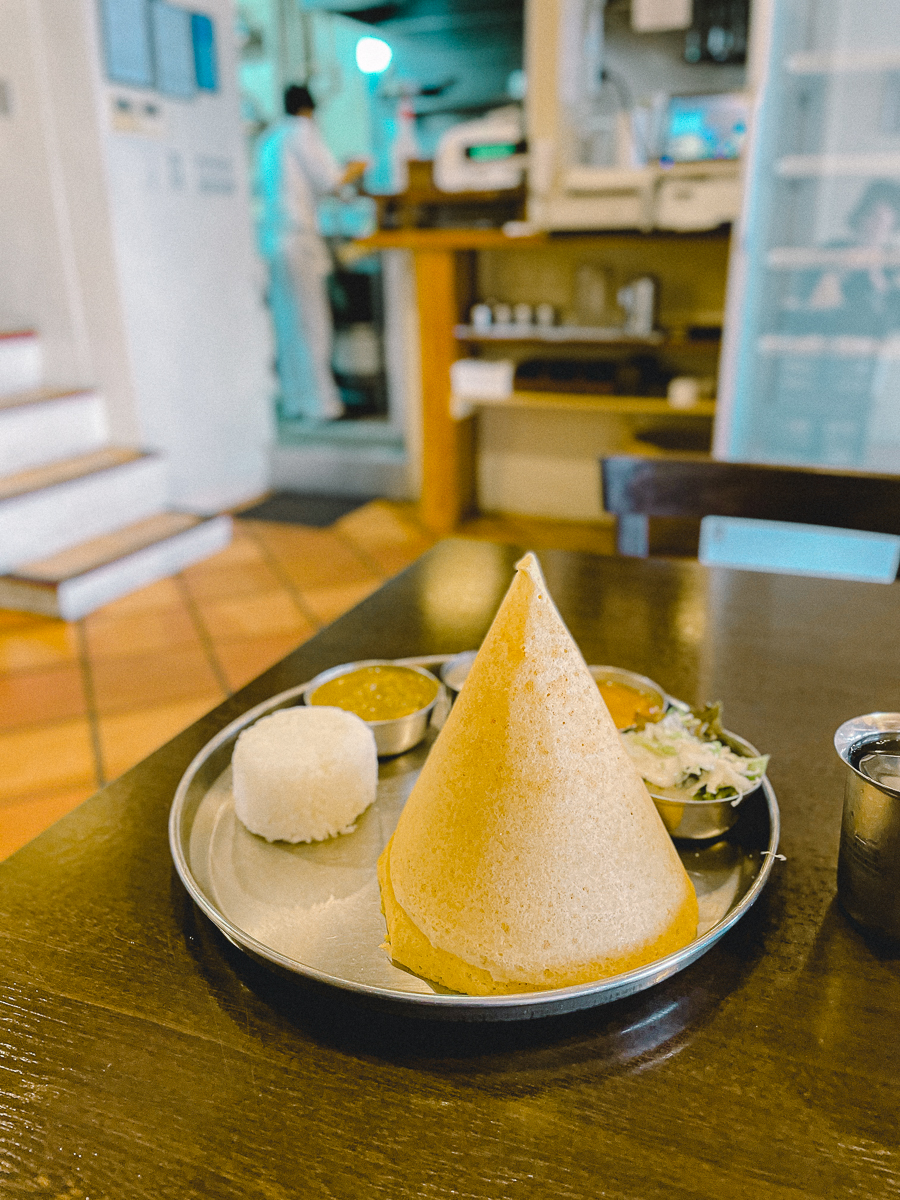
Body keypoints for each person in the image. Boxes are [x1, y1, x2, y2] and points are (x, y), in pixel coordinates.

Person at [256, 84, 365, 420]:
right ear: (309, 110)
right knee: (312, 323)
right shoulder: (302, 132)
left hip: (273, 241)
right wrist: (357, 168)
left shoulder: (269, 140)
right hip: (298, 239)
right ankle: (323, 404)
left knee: (288, 325)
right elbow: (331, 181)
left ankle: (296, 400)